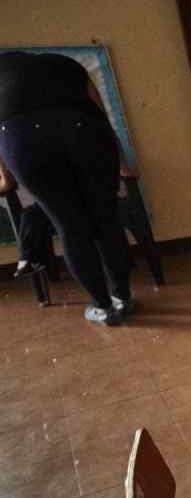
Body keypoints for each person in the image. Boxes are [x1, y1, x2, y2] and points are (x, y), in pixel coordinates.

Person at [0, 51, 137, 324]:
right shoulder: (66, 64)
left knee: (70, 227)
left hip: (23, 137)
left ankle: (102, 307)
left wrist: (6, 179)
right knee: (107, 220)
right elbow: (102, 117)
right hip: (86, 128)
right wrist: (123, 165)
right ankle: (123, 299)